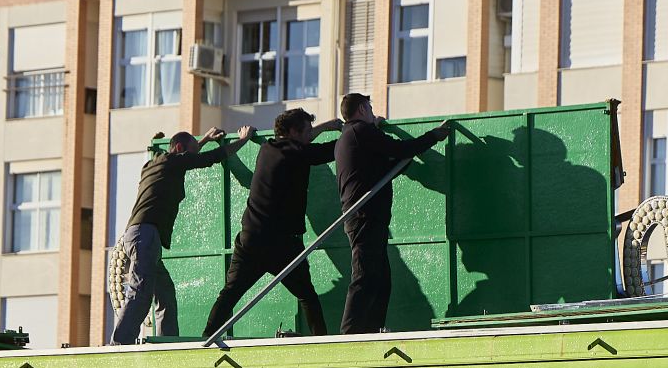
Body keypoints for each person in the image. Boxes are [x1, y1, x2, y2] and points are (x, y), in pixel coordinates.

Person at [202, 108, 342, 340]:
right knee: (307, 296)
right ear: (294, 132)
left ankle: (206, 337)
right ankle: (321, 341)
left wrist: (325, 126)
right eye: (306, 131)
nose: (310, 134)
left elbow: (301, 143)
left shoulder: (268, 149)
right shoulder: (296, 153)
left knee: (230, 293)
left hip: (250, 238)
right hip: (282, 243)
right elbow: (330, 150)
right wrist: (360, 131)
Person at [110, 125, 254, 344]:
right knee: (140, 291)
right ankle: (120, 345)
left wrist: (204, 139)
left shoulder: (154, 164)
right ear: (179, 148)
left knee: (165, 294)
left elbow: (187, 156)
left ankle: (168, 343)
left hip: (143, 237)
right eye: (190, 150)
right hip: (146, 236)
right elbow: (210, 158)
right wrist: (243, 140)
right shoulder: (171, 161)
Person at [333, 94, 452, 335]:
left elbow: (387, 166)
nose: (372, 112)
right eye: (369, 107)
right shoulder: (360, 132)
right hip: (364, 215)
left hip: (366, 215)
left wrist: (403, 157)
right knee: (365, 276)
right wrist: (433, 137)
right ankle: (349, 335)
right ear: (362, 109)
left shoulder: (351, 136)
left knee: (380, 279)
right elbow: (399, 148)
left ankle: (371, 331)